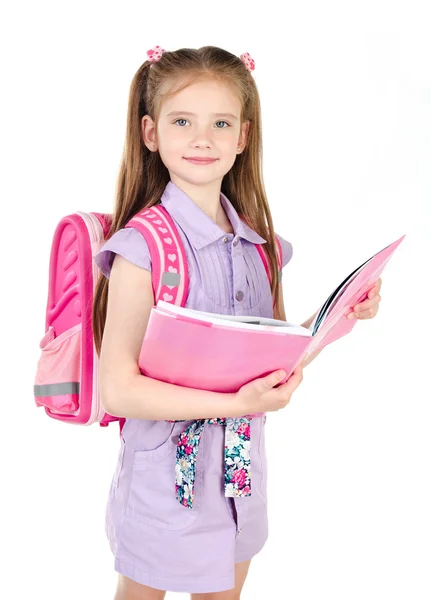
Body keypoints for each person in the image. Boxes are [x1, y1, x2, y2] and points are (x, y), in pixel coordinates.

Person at [92, 45, 382, 600]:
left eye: (221, 123)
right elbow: (118, 390)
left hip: (240, 471)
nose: (203, 138)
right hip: (163, 480)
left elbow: (266, 356)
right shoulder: (141, 250)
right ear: (151, 133)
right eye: (183, 121)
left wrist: (340, 317)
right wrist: (238, 406)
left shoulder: (259, 246)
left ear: (243, 136)